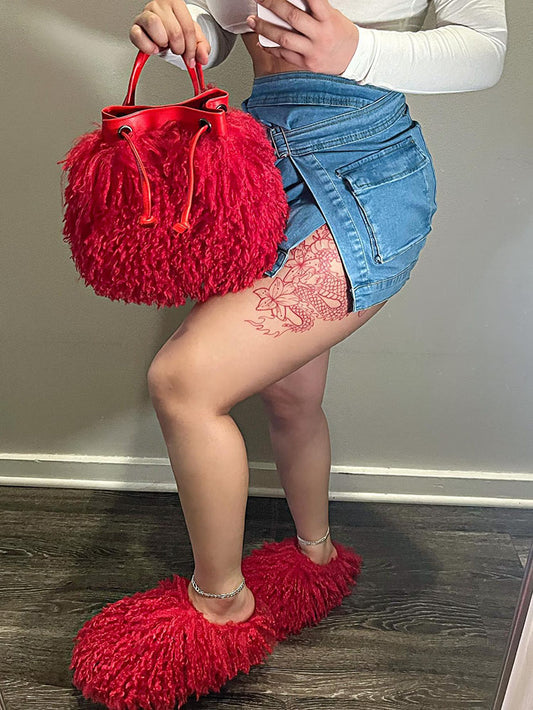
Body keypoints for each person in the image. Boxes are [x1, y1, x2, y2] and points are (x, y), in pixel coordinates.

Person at [70, 2, 508, 709]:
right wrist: (184, 29)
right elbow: (221, 26)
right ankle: (315, 557)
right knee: (290, 395)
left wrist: (358, 49)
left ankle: (220, 606)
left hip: (363, 171)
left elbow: (486, 49)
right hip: (259, 160)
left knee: (183, 383)